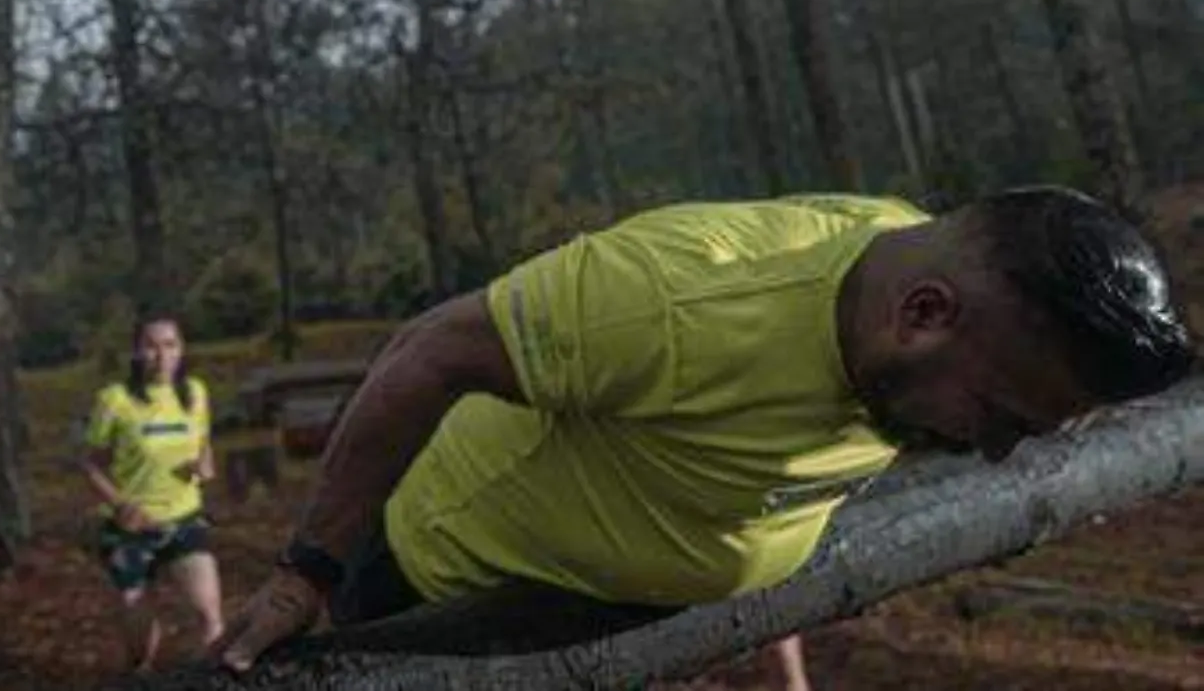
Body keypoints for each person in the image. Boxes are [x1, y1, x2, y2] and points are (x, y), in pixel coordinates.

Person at [209, 187, 1195, 677]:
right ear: (923, 316)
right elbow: (424, 353)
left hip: (626, 611)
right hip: (445, 589)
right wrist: (309, 570)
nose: (991, 456)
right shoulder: (674, 299)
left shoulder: (917, 285)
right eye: (997, 418)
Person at [80, 317, 226, 672]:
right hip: (132, 529)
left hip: (185, 518)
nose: (162, 355)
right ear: (136, 352)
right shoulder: (115, 400)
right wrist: (121, 505)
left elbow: (202, 442)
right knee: (141, 648)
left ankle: (214, 682)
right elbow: (90, 463)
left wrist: (203, 465)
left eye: (170, 344)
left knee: (210, 617)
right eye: (151, 346)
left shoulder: (194, 392)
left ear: (182, 349)